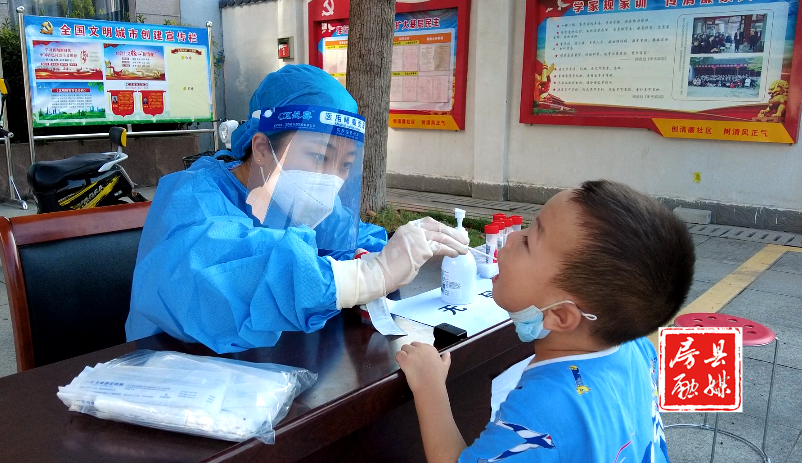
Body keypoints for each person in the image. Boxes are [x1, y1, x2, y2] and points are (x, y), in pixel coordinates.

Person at [126, 64, 470, 353]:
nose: (332, 179)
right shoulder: (193, 197)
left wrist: (393, 250)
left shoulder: (294, 198)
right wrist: (365, 276)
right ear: (262, 149)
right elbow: (214, 283)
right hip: (177, 372)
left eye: (345, 164)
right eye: (319, 156)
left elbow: (350, 238)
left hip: (276, 367)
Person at [396, 180, 695, 463]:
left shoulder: (540, 413)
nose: (512, 237)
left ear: (560, 315)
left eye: (528, 241)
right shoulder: (637, 348)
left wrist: (429, 386)